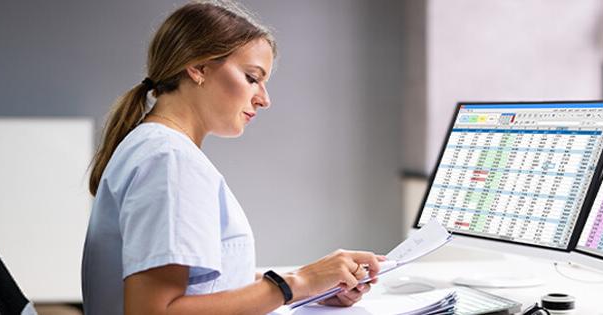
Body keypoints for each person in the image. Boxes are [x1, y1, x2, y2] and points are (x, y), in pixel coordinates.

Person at [80, 1, 380, 314]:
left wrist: (311, 284)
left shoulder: (154, 147)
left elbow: (205, 285)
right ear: (197, 67)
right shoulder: (169, 161)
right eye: (252, 78)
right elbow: (153, 312)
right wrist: (298, 282)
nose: (264, 99)